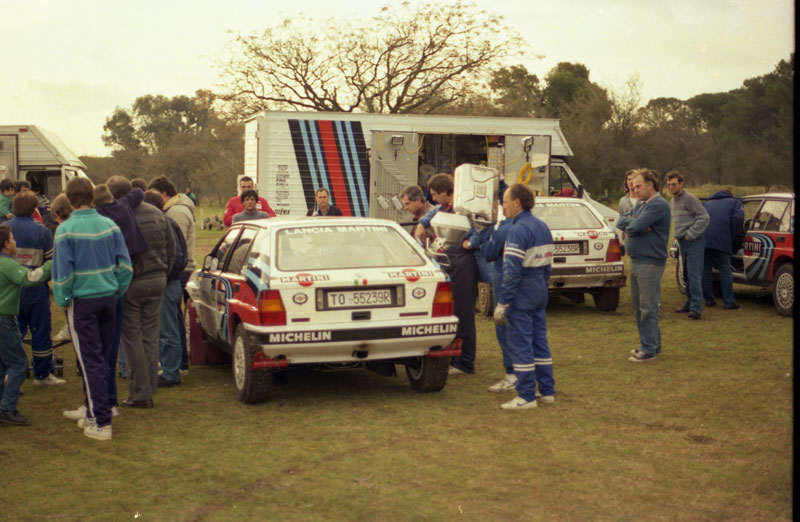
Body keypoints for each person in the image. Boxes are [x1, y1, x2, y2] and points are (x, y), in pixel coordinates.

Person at [53, 177, 132, 440]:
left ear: (68, 198)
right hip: (108, 297)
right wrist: (116, 288)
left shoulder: (65, 230)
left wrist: (63, 299)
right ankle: (93, 411)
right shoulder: (110, 225)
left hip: (83, 301)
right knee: (103, 358)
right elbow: (125, 266)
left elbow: (62, 274)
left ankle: (101, 421)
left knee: (90, 362)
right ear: (91, 196)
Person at [110, 177, 173, 408]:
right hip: (158, 279)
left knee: (132, 339)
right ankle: (149, 389)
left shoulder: (118, 215)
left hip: (133, 281)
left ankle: (140, 393)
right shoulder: (156, 212)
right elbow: (171, 247)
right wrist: (163, 271)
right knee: (150, 336)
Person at [492, 184, 555, 410]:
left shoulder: (518, 230)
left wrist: (503, 302)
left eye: (505, 201)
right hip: (539, 287)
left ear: (517, 201)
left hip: (522, 291)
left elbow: (512, 271)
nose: (503, 206)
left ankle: (526, 396)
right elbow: (548, 263)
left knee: (520, 344)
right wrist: (542, 285)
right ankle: (547, 391)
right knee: (540, 342)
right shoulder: (542, 226)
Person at [414, 173, 477, 375]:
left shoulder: (463, 209)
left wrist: (471, 242)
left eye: (434, 194)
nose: (432, 199)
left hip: (463, 264)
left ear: (444, 192)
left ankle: (466, 362)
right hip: (449, 263)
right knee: (452, 310)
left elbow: (482, 228)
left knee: (464, 314)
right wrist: (422, 225)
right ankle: (455, 356)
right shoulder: (442, 209)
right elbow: (430, 215)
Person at [7, 192, 63, 386]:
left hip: (9, 290)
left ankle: (11, 373)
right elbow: (51, 263)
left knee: (13, 332)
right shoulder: (42, 232)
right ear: (34, 210)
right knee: (40, 330)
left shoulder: (3, 229)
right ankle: (42, 374)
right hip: (35, 289)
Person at [0, 224, 53, 426]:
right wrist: (50, 265)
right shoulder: (8, 265)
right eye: (13, 239)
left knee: (1, 364)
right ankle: (8, 409)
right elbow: (30, 278)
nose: (15, 242)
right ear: (6, 244)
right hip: (4, 320)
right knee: (18, 364)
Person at [617, 169, 671, 362]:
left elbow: (633, 227)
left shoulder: (657, 205)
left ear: (651, 185)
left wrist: (635, 224)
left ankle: (648, 349)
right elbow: (622, 221)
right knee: (639, 306)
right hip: (637, 260)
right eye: (633, 185)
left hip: (649, 262)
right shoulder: (642, 204)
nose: (635, 189)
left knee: (648, 306)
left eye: (639, 186)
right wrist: (635, 223)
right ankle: (651, 344)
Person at [148, 175, 196, 376]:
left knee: (173, 321)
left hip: (178, 271)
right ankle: (177, 363)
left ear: (164, 194)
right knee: (173, 319)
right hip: (177, 270)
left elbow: (175, 245)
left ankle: (179, 364)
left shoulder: (177, 212)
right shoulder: (174, 209)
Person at [143, 189, 187, 387]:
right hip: (167, 282)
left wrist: (162, 276)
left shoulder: (165, 223)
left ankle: (171, 373)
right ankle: (168, 369)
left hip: (168, 284)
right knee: (163, 331)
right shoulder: (166, 222)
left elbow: (178, 258)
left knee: (169, 332)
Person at [479, 191, 515, 393]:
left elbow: (488, 253)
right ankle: (526, 374)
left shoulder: (505, 227)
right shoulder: (533, 224)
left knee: (504, 327)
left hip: (504, 279)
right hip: (528, 285)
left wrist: (485, 231)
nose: (502, 207)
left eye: (504, 203)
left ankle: (512, 374)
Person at [666, 170, 709, 319]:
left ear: (681, 184)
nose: (671, 187)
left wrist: (690, 234)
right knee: (686, 275)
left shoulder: (690, 199)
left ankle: (696, 309)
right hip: (681, 243)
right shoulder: (672, 201)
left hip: (694, 241)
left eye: (674, 184)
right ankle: (689, 304)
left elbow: (704, 217)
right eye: (669, 185)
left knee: (694, 274)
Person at [702, 190, 744, 310]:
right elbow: (738, 217)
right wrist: (731, 233)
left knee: (706, 270)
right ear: (731, 194)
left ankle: (709, 300)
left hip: (705, 238)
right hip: (723, 239)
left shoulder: (708, 203)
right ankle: (728, 302)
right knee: (725, 270)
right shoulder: (735, 202)